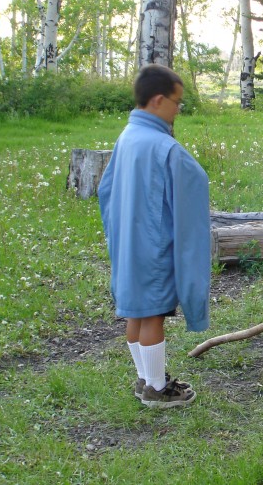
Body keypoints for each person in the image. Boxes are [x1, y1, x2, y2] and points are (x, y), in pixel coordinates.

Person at [98, 64, 211, 408]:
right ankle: (158, 390)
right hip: (154, 247)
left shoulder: (127, 137)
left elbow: (106, 190)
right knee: (152, 316)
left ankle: (145, 379)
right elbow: (194, 185)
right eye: (177, 102)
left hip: (129, 243)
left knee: (136, 312)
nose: (179, 109)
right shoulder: (165, 148)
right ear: (159, 100)